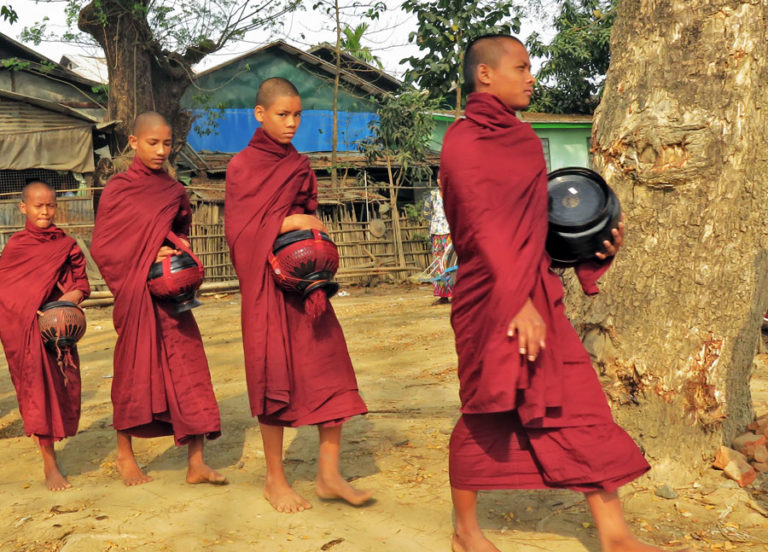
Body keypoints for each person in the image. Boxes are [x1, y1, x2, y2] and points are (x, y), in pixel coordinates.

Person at [440, 35, 668, 552]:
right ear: (486, 76)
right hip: (490, 301)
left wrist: (592, 244)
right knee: (487, 410)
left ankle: (614, 534)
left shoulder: (523, 141)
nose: (531, 77)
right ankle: (466, 532)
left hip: (538, 297)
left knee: (582, 404)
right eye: (521, 67)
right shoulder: (463, 142)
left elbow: (534, 230)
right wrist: (515, 302)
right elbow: (479, 228)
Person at [225, 77, 372, 513]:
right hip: (266, 291)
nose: (291, 124)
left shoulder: (299, 164)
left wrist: (306, 229)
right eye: (282, 115)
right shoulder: (242, 167)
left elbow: (309, 211)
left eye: (297, 115)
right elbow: (238, 232)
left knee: (331, 371)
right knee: (274, 379)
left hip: (306, 286)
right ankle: (275, 480)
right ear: (260, 114)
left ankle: (328, 474)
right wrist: (286, 224)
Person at [91, 112, 225, 487]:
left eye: (167, 144)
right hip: (136, 295)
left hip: (171, 296)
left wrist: (171, 251)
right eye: (153, 143)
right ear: (133, 142)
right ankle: (124, 456)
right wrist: (146, 253)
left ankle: (196, 462)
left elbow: (179, 231)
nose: (161, 151)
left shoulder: (173, 190)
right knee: (134, 371)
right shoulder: (118, 189)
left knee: (190, 370)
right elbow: (103, 245)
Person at [0, 180, 91, 491]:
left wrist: (66, 304)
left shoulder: (66, 245)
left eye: (50, 205)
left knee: (64, 386)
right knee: (37, 394)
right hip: (27, 333)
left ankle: (59, 440)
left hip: (59, 331)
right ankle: (50, 463)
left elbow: (81, 283)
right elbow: (7, 292)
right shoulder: (16, 247)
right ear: (23, 207)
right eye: (38, 206)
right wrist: (31, 311)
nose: (44, 211)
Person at [422, 180, 454, 303]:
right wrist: (437, 220)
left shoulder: (453, 196)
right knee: (438, 265)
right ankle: (443, 296)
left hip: (451, 234)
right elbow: (426, 214)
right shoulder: (432, 197)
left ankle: (458, 294)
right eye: (439, 179)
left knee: (452, 264)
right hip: (437, 235)